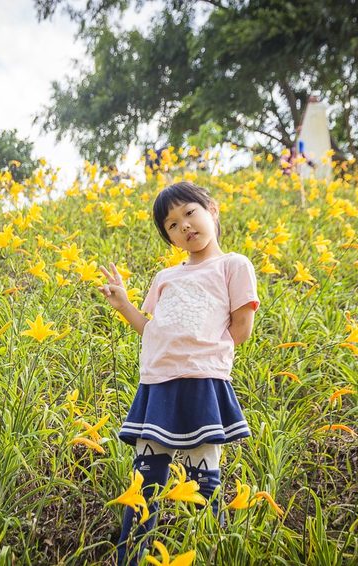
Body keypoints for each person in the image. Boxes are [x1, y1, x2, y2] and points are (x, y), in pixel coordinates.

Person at [97, 181, 260, 565]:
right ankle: (131, 558)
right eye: (171, 225)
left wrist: (203, 355)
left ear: (212, 210)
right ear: (169, 238)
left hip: (202, 383)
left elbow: (241, 330)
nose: (184, 226)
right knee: (143, 482)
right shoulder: (165, 277)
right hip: (156, 384)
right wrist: (124, 305)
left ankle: (211, 553)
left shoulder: (234, 265)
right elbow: (151, 328)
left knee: (203, 482)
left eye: (190, 212)